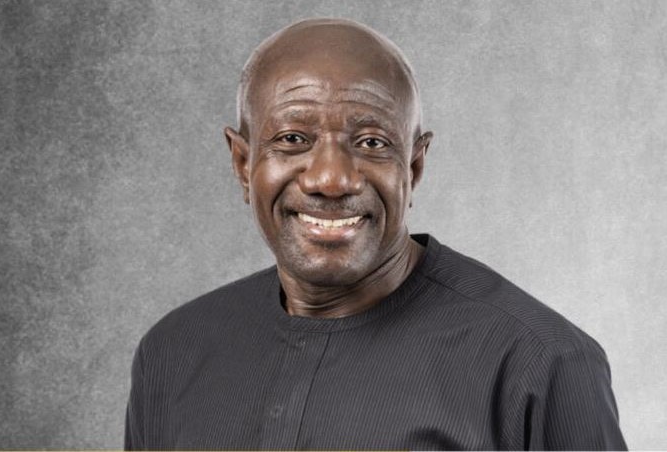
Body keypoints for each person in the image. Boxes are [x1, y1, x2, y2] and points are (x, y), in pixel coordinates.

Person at [125, 18, 627, 450]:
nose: (331, 179)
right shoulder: (172, 352)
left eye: (371, 142)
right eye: (293, 138)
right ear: (242, 163)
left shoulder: (541, 363)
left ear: (414, 166)